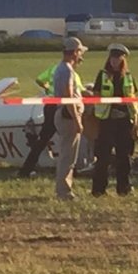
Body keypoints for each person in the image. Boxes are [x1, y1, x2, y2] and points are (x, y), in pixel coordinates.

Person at [91, 43, 138, 197]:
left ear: (123, 59)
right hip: (107, 120)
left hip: (125, 120)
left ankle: (123, 188)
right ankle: (99, 189)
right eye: (112, 57)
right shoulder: (103, 75)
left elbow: (135, 99)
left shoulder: (129, 76)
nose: (114, 60)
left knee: (124, 156)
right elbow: (96, 95)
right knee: (103, 156)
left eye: (118, 57)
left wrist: (137, 120)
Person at [52, 37, 87, 200]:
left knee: (67, 154)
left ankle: (64, 188)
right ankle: (64, 191)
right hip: (68, 117)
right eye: (79, 52)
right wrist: (77, 120)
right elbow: (69, 96)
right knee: (68, 155)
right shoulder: (67, 71)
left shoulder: (60, 69)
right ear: (74, 52)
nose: (81, 56)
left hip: (64, 115)